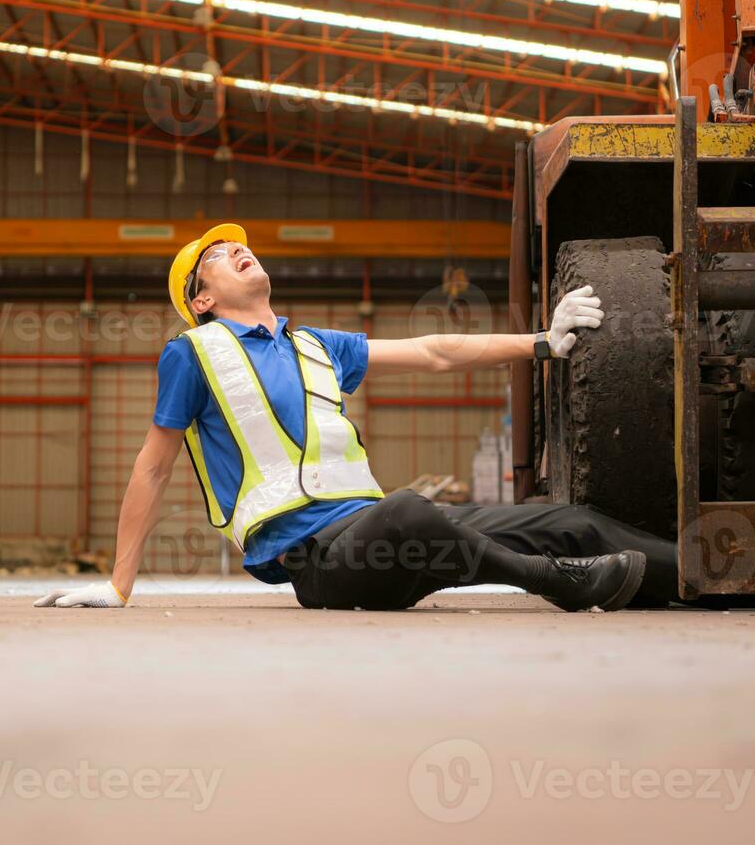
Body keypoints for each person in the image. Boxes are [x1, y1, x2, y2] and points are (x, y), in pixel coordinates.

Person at [35, 223, 680, 612]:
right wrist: (119, 585)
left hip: (377, 532)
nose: (238, 251)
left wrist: (543, 341)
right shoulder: (193, 355)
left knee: (570, 521)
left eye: (241, 245)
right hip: (319, 564)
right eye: (217, 255)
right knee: (411, 512)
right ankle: (554, 583)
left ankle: (709, 577)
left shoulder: (317, 346)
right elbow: (152, 469)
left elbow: (433, 351)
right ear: (201, 300)